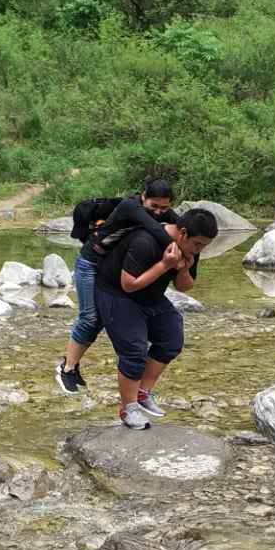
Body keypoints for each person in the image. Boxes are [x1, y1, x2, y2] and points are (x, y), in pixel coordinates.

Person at [94, 207, 218, 428]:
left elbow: (185, 287)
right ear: (182, 233)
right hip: (116, 295)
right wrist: (165, 265)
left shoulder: (191, 248)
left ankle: (142, 393)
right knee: (134, 351)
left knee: (171, 338)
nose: (200, 250)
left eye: (204, 246)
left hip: (150, 295)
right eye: (198, 244)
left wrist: (182, 269)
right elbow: (128, 285)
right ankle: (128, 408)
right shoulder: (145, 242)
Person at [55, 178, 175, 395]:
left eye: (164, 208)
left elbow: (182, 224)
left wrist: (194, 232)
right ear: (143, 197)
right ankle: (66, 368)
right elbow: (156, 230)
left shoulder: (161, 210)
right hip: (90, 263)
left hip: (109, 267)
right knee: (90, 317)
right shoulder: (131, 206)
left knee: (106, 317)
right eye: (154, 206)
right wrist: (178, 250)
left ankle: (75, 367)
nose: (158, 212)